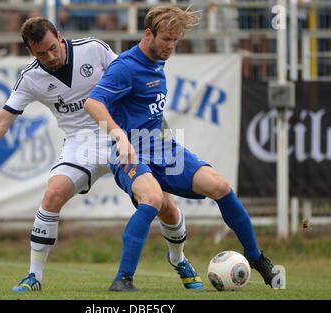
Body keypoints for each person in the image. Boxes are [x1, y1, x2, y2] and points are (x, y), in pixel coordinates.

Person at [0, 17, 201, 292]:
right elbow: (2, 121)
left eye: (53, 47)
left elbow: (132, 78)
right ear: (31, 52)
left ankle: (178, 259)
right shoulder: (30, 78)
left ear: (60, 36)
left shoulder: (93, 49)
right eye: (41, 53)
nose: (50, 56)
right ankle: (34, 276)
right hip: (81, 144)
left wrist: (154, 134)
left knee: (165, 205)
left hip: (120, 134)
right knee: (52, 194)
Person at [84, 5, 282, 291]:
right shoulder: (126, 66)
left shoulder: (157, 61)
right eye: (166, 39)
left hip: (160, 147)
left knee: (220, 186)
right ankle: (123, 279)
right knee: (152, 199)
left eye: (176, 40)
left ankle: (257, 258)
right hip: (129, 152)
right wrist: (120, 137)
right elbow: (93, 102)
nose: (171, 46)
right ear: (148, 34)